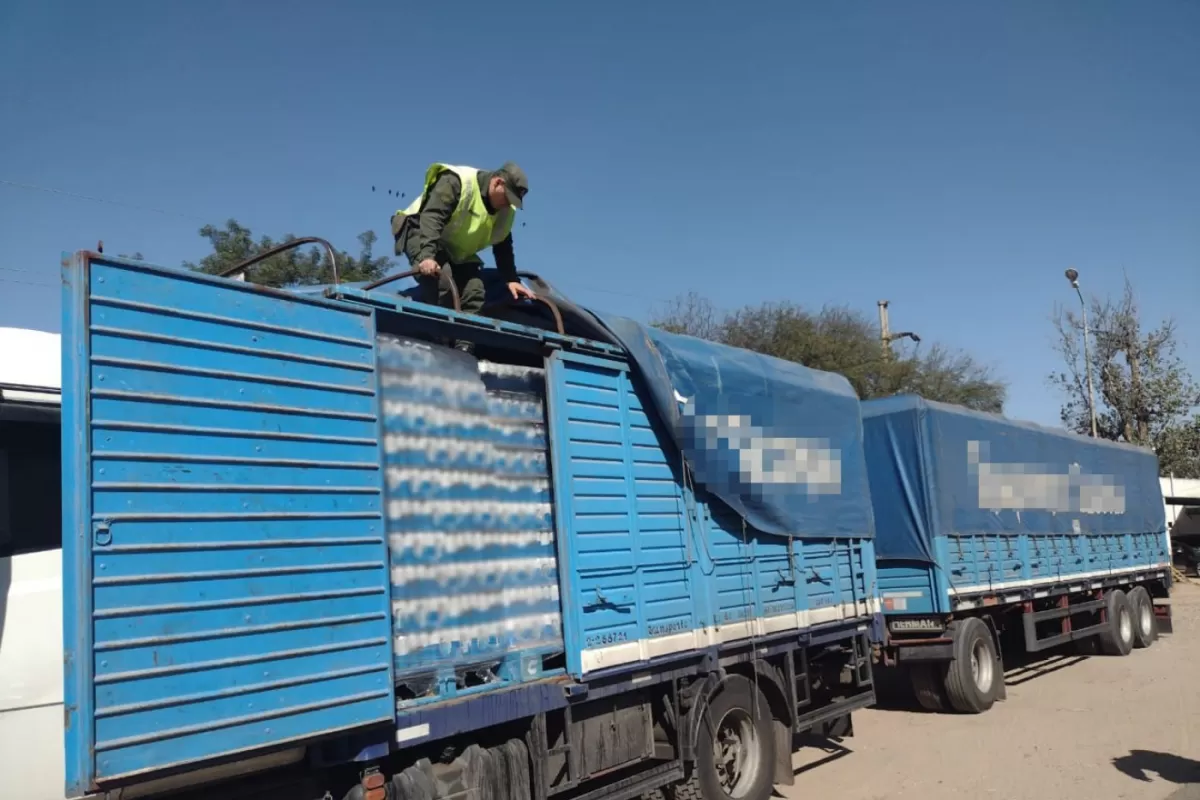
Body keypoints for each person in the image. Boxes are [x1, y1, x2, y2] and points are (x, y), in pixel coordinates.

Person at [391, 162, 537, 341]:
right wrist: (427, 256)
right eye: (507, 197)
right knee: (441, 281)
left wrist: (511, 279)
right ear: (498, 182)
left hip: (453, 247)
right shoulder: (457, 181)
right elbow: (432, 217)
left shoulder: (506, 211)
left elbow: (503, 244)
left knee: (474, 291)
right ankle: (439, 342)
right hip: (419, 229)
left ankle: (464, 347)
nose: (508, 204)